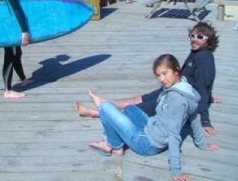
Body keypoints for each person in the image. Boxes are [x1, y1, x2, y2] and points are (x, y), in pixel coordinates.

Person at [74, 22, 220, 136]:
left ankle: (94, 112)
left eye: (200, 37)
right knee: (138, 99)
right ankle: (104, 103)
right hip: (171, 89)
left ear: (209, 41)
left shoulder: (204, 59)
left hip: (175, 99)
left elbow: (204, 86)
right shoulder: (196, 52)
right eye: (192, 35)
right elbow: (203, 83)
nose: (194, 39)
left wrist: (205, 120)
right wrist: (211, 98)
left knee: (135, 110)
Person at [88, 54, 218, 181]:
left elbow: (174, 135)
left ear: (177, 70)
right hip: (151, 127)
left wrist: (176, 171)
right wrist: (201, 144)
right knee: (130, 109)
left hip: (147, 144)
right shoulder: (186, 88)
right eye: (158, 75)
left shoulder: (176, 99)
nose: (161, 79)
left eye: (165, 73)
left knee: (105, 107)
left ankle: (114, 144)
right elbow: (195, 117)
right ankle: (115, 139)